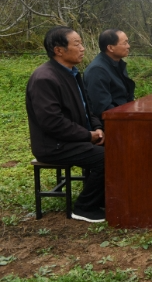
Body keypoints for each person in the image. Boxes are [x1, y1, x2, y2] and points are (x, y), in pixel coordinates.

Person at [25, 26, 106, 223]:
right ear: (58, 50)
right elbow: (52, 123)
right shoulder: (45, 78)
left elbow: (88, 108)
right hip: (54, 145)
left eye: (81, 43)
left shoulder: (72, 73)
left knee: (121, 146)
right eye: (77, 44)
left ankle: (106, 197)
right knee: (106, 158)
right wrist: (88, 136)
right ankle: (84, 207)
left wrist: (97, 128)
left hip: (74, 138)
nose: (82, 48)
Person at [84, 29, 136, 120]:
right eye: (124, 43)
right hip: (112, 121)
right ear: (110, 48)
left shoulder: (118, 63)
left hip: (124, 114)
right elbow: (101, 108)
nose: (128, 46)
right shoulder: (97, 70)